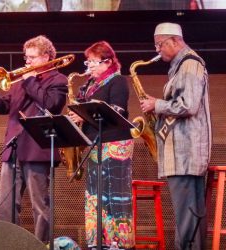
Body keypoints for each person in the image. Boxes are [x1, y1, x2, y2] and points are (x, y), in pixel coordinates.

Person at [0, 35, 68, 242]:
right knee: (6, 204)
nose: (27, 62)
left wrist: (30, 80)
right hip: (13, 146)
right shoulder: (19, 81)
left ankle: (42, 245)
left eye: (32, 57)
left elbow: (52, 105)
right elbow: (7, 107)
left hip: (37, 148)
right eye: (26, 57)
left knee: (39, 205)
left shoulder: (58, 80)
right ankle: (8, 244)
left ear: (46, 57)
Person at [140, 22, 211, 250]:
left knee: (187, 217)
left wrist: (157, 104)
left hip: (186, 154)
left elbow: (188, 105)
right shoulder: (182, 66)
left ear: (176, 40)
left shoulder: (190, 65)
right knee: (188, 217)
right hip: (182, 154)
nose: (157, 50)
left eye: (160, 44)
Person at [68, 41, 135, 249]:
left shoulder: (118, 81)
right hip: (95, 143)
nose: (89, 66)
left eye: (93, 62)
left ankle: (118, 243)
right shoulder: (88, 86)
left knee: (114, 195)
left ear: (107, 62)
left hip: (115, 143)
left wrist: (84, 115)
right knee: (95, 196)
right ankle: (99, 242)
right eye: (87, 62)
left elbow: (117, 111)